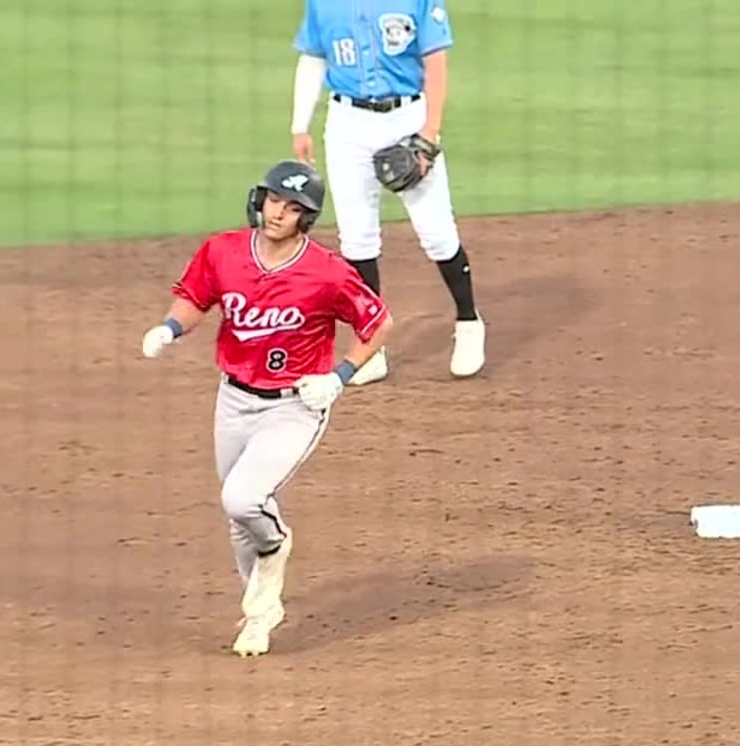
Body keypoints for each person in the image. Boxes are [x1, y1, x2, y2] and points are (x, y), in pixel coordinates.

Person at [139, 160, 394, 657]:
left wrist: (339, 377)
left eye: (294, 207)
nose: (280, 212)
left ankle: (276, 547)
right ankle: (260, 612)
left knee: (242, 499)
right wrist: (168, 329)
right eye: (276, 200)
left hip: (294, 406)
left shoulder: (326, 271)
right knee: (239, 519)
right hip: (233, 398)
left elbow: (378, 323)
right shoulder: (224, 251)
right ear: (261, 199)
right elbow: (196, 298)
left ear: (306, 218)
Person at [287, 0, 484, 385]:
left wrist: (428, 135)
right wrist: (300, 125)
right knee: (357, 239)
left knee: (437, 233)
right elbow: (313, 58)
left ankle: (468, 321)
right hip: (347, 124)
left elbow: (435, 63)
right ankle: (371, 345)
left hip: (407, 118)